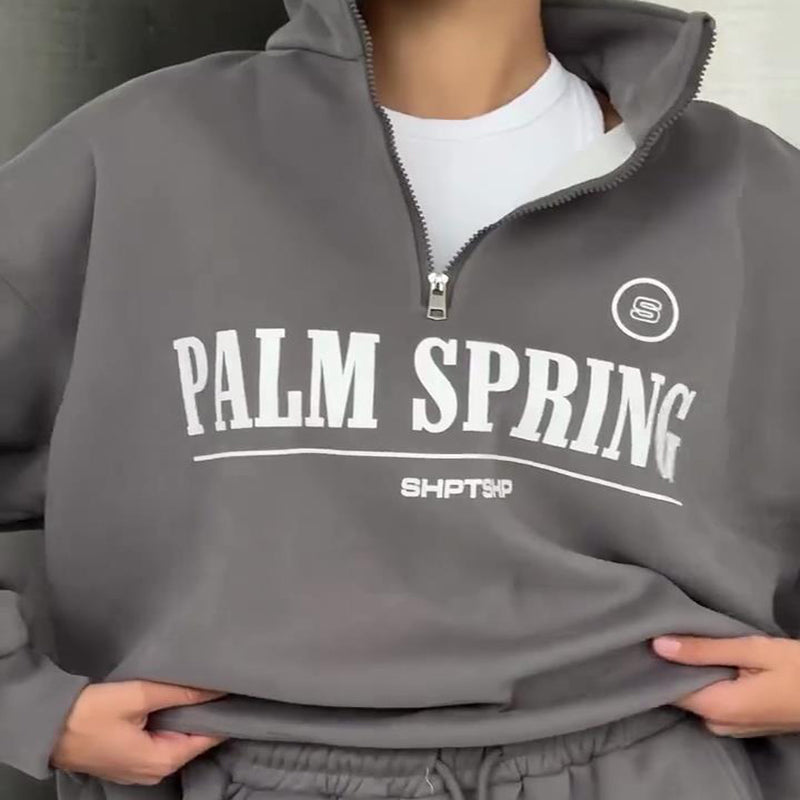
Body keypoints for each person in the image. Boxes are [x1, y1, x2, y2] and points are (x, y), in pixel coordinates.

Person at [1, 0, 800, 798]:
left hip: (647, 758)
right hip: (232, 761)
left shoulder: (751, 191)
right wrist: (26, 705)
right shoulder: (140, 153)